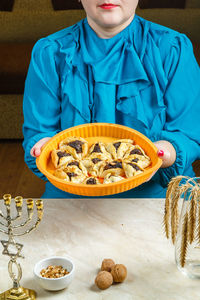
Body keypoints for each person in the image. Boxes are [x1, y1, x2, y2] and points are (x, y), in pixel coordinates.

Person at [22, 0, 200, 198]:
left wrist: (164, 153)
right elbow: (39, 132)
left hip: (162, 197)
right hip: (72, 197)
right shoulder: (49, 52)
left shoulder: (173, 47)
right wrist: (44, 146)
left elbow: (189, 133)